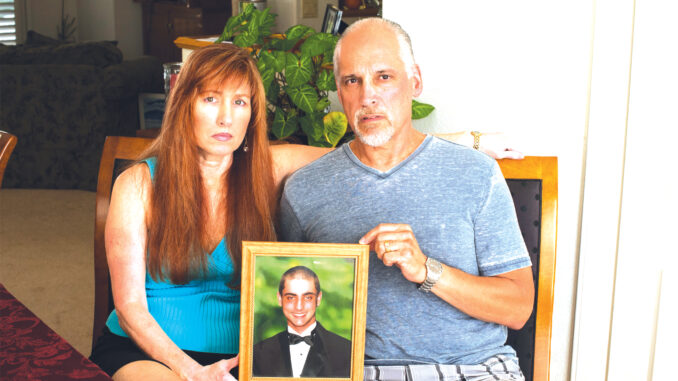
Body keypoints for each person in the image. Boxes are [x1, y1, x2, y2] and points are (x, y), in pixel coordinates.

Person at [278, 18, 534, 381]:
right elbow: (287, 306)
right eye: (353, 81)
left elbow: (518, 307)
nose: (368, 96)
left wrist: (426, 269)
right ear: (340, 90)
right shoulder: (303, 190)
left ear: (414, 81)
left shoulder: (477, 174)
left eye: (384, 77)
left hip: (472, 369)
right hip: (354, 373)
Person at [89, 43, 329, 381]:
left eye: (239, 102)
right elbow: (129, 308)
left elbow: (351, 158)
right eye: (211, 99)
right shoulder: (137, 184)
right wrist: (192, 371)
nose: (226, 118)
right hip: (147, 350)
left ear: (252, 114)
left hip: (245, 351)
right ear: (184, 104)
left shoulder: (267, 170)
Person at [252, 266, 351, 378]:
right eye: (291, 298)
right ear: (280, 299)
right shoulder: (259, 353)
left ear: (318, 299)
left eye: (308, 297)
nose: (299, 307)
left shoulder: (346, 350)